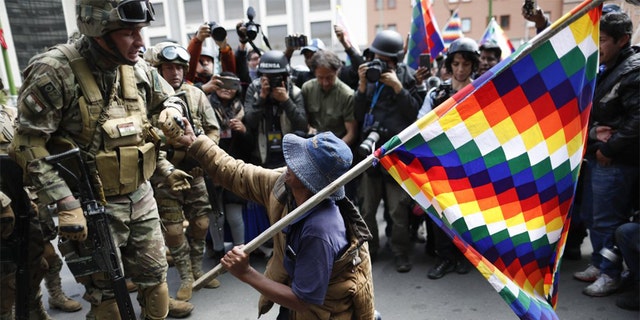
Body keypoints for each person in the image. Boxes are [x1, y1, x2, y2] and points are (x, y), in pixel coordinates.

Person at [8, 0, 193, 318]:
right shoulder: (54, 71)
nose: (140, 42)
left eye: (141, 31)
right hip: (91, 207)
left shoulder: (136, 67)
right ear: (98, 29)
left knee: (156, 286)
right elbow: (27, 144)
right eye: (129, 32)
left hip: (141, 199)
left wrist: (173, 111)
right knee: (108, 301)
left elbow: (171, 97)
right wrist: (65, 203)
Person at [163, 120, 375, 319]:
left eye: (300, 162)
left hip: (320, 312)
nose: (290, 161)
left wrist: (246, 273)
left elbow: (303, 301)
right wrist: (195, 142)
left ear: (310, 180)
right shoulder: (286, 185)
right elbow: (239, 174)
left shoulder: (320, 230)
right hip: (292, 292)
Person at [144, 42, 222, 301]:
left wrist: (203, 152)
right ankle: (187, 276)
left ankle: (198, 271)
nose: (175, 73)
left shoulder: (196, 95)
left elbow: (213, 129)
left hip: (196, 171)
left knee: (201, 224)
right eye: (168, 67)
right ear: (158, 70)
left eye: (179, 67)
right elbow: (144, 142)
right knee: (174, 230)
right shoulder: (147, 99)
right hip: (164, 176)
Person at [574, 11, 639, 298]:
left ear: (622, 39)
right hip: (600, 157)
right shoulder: (608, 66)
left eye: (600, 40)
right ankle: (600, 264)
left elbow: (637, 119)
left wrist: (610, 148)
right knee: (591, 215)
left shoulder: (632, 71)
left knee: (606, 220)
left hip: (615, 161)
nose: (595, 46)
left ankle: (611, 274)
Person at [354, 29, 422, 272]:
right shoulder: (369, 77)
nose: (377, 63)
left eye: (383, 59)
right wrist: (362, 86)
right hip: (370, 152)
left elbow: (415, 113)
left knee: (397, 210)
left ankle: (401, 252)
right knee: (367, 208)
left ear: (394, 60)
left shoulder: (408, 76)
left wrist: (398, 88)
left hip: (396, 155)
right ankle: (370, 251)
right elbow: (357, 115)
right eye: (375, 57)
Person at [418, 38, 480, 279]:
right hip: (440, 164)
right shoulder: (437, 93)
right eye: (456, 64)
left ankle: (465, 257)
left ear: (473, 65)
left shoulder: (481, 90)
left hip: (470, 164)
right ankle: (444, 258)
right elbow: (420, 124)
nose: (461, 69)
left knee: (467, 215)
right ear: (450, 65)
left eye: (466, 64)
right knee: (440, 215)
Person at [206, 71, 253, 260]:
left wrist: (243, 131)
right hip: (211, 167)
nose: (226, 88)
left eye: (230, 85)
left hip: (235, 167)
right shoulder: (205, 106)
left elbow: (251, 147)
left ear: (237, 89)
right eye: (221, 83)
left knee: (234, 215)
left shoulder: (242, 110)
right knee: (216, 215)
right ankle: (218, 252)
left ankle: (240, 252)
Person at [243, 50, 308, 169]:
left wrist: (286, 101)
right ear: (261, 75)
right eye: (268, 76)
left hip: (288, 157)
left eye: (277, 76)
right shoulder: (254, 89)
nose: (273, 80)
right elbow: (250, 122)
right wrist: (262, 97)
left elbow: (302, 125)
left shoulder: (294, 91)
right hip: (261, 155)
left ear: (286, 75)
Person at [301, 50, 357, 147]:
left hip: (337, 147)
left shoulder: (347, 95)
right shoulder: (307, 89)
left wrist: (336, 150)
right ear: (314, 73)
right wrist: (308, 128)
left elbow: (351, 134)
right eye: (320, 78)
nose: (325, 83)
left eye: (329, 77)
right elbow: (304, 120)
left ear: (337, 71)